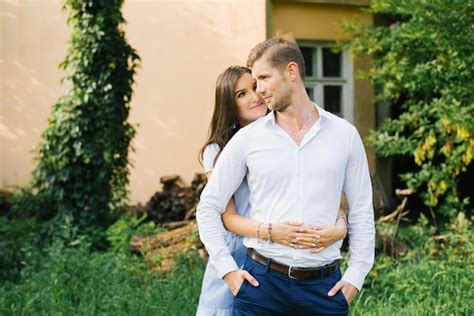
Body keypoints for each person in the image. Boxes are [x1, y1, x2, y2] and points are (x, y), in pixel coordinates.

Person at [196, 36, 375, 316]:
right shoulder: (247, 140)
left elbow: (362, 210)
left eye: (264, 78)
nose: (259, 91)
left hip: (323, 290)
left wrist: (355, 277)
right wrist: (229, 273)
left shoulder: (344, 135)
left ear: (291, 72)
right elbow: (209, 208)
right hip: (261, 285)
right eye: (253, 83)